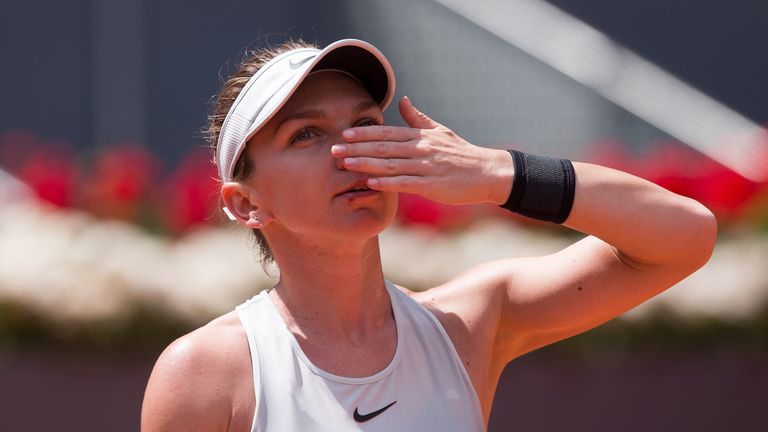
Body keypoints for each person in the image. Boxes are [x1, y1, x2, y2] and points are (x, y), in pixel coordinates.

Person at [141, 39, 716, 431]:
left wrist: (498, 173)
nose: (352, 153)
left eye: (365, 124)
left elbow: (686, 234)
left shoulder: (470, 324)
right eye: (306, 135)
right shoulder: (203, 373)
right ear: (246, 204)